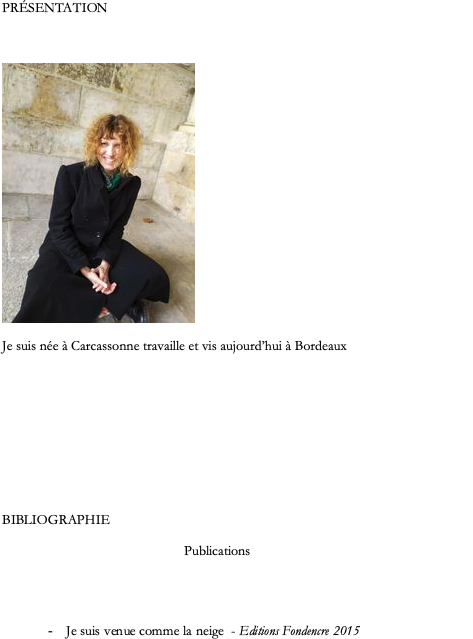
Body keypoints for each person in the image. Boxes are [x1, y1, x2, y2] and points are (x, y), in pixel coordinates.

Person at [13, 113, 170, 323]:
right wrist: (85, 270)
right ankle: (117, 299)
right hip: (66, 244)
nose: (110, 153)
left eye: (118, 145)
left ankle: (117, 298)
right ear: (95, 145)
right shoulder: (71, 174)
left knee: (152, 274)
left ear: (127, 148)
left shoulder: (132, 183)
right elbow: (58, 227)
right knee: (41, 286)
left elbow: (118, 227)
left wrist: (105, 264)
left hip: (101, 246)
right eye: (104, 143)